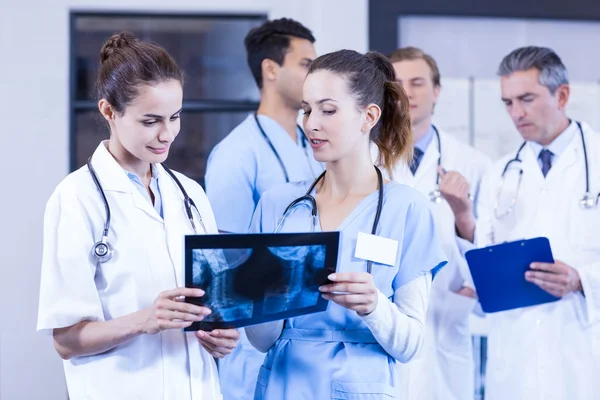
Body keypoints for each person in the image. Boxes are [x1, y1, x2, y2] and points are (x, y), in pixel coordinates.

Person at [36, 32, 239, 400]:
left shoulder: (190, 195)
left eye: (175, 117)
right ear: (108, 112)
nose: (168, 134)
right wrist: (144, 321)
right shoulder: (76, 198)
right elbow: (65, 340)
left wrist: (220, 336)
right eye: (150, 121)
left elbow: (214, 305)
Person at [245, 49, 448, 399]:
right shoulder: (278, 205)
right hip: (284, 383)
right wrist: (273, 299)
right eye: (307, 109)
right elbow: (261, 340)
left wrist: (374, 305)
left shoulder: (407, 209)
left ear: (368, 116)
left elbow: (410, 345)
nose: (311, 123)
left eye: (328, 110)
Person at [445, 46, 600, 400]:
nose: (516, 113)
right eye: (508, 102)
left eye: (526, 99)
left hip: (584, 349)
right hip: (516, 356)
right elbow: (484, 254)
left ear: (562, 95)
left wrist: (581, 279)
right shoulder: (501, 173)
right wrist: (463, 216)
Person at [204, 18, 324, 399]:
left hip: (309, 336)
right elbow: (227, 262)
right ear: (270, 69)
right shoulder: (236, 154)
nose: (314, 75)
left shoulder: (315, 146)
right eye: (306, 65)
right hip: (254, 340)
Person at [383, 46, 491, 400]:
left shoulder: (474, 163)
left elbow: (490, 250)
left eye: (418, 82)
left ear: (437, 91)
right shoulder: (365, 159)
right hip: (384, 320)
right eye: (398, 83)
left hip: (447, 321)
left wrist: (463, 214)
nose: (408, 92)